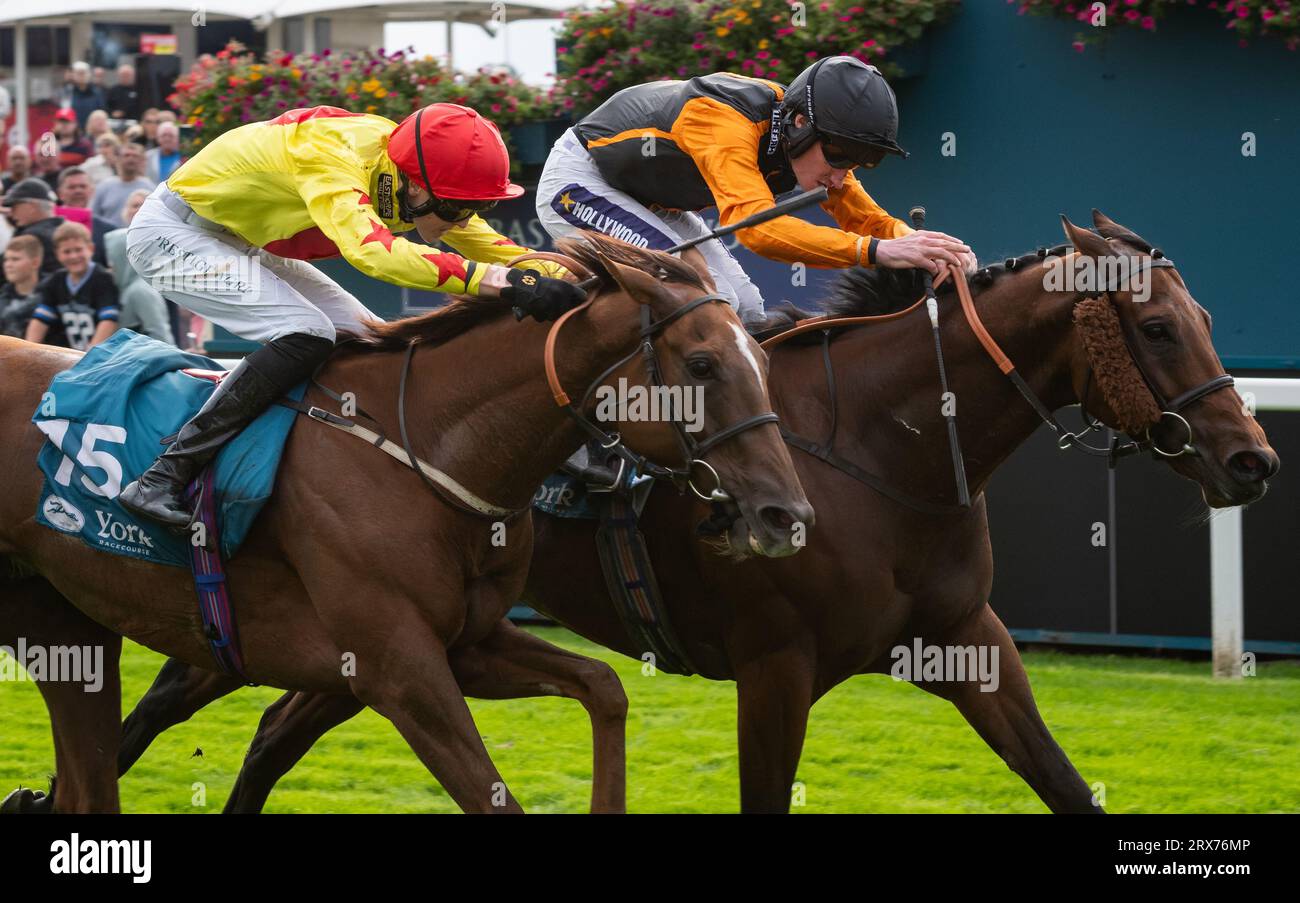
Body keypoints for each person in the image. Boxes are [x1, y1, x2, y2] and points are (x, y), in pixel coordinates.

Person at [117, 102, 586, 530]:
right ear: (418, 186)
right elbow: (375, 256)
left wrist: (565, 275)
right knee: (307, 332)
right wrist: (503, 284)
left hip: (241, 238)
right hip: (172, 233)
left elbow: (486, 244)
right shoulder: (333, 156)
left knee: (368, 337)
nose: (465, 219)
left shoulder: (407, 167)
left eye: (479, 206)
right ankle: (162, 477)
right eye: (461, 206)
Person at [537, 55, 976, 326]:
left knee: (747, 306)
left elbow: (869, 219)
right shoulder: (722, 121)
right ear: (801, 126)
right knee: (702, 297)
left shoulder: (808, 135)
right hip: (582, 181)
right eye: (841, 156)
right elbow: (755, 230)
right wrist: (877, 251)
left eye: (862, 162)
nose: (843, 176)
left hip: (649, 198)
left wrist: (924, 247)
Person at [24, 221, 119, 351]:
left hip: (100, 355)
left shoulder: (103, 279)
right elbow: (40, 319)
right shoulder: (56, 280)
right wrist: (29, 349)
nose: (73, 256)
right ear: (57, 254)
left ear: (91, 249)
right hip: (70, 353)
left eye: (78, 250)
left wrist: (91, 353)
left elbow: (109, 320)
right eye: (67, 251)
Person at [104, 188, 172, 343]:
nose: (110, 266)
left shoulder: (141, 291)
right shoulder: (129, 288)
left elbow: (161, 336)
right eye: (134, 205)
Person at [1, 178, 65, 275]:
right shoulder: (65, 228)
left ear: (31, 207)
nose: (11, 213)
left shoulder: (32, 235)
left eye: (14, 207)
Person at [55, 167, 113, 265]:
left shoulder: (107, 230)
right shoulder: (51, 226)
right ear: (60, 194)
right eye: (71, 187)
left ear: (92, 191)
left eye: (83, 186)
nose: (78, 191)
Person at [91, 140, 155, 227]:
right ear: (117, 158)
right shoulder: (104, 186)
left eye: (135, 156)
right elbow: (94, 216)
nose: (131, 159)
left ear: (141, 160)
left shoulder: (149, 187)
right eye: (126, 155)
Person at [0, 234, 44, 338]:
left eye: (15, 259)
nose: (8, 265)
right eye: (6, 259)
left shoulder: (51, 294)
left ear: (35, 263)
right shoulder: (3, 298)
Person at [64, 62, 106, 130]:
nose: (81, 76)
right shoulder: (68, 92)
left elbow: (101, 113)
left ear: (89, 74)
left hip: (93, 131)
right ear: (73, 75)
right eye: (78, 73)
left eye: (83, 73)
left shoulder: (97, 93)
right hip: (74, 131)